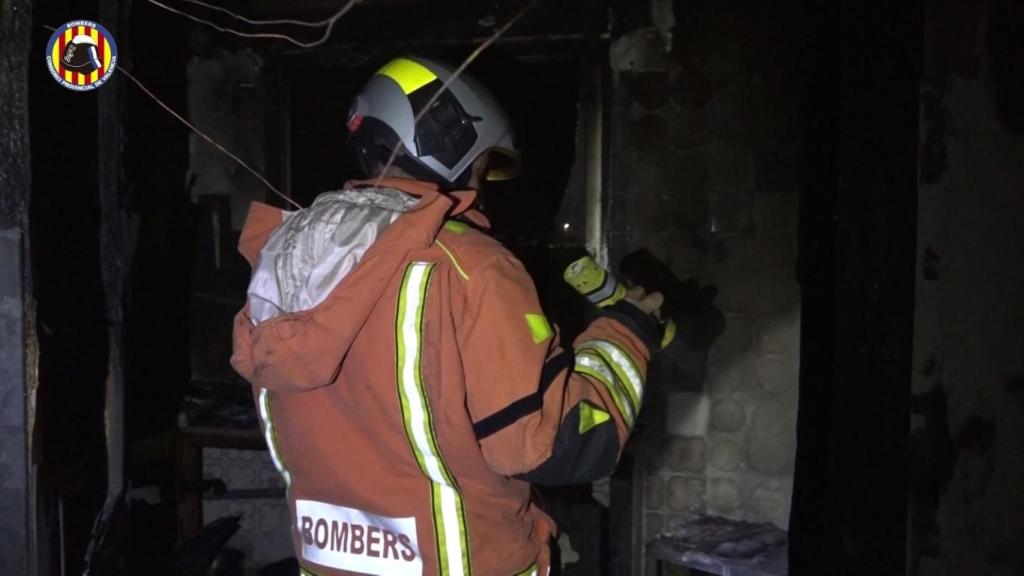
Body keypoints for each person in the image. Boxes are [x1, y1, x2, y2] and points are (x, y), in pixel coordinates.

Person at [231, 56, 662, 576]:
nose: (481, 189)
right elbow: (559, 444)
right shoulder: (470, 265)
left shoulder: (285, 258)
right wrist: (629, 331)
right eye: (482, 167)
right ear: (448, 142)